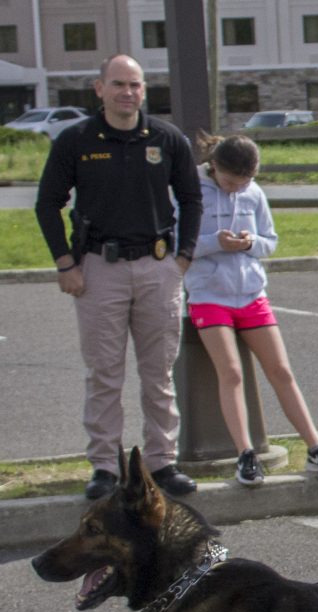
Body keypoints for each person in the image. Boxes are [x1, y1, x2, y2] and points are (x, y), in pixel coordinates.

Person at [35, 54, 201, 498]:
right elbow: (47, 203)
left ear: (144, 90)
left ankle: (162, 462)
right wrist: (64, 263)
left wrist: (182, 257)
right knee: (104, 374)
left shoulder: (167, 139)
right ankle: (105, 467)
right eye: (119, 84)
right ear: (100, 89)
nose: (128, 92)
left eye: (136, 85)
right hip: (98, 270)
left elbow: (191, 198)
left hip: (157, 267)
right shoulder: (76, 140)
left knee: (158, 374)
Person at [185, 134, 318, 487]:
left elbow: (269, 241)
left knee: (282, 371)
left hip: (251, 294)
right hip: (209, 294)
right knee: (232, 373)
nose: (236, 188)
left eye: (244, 182)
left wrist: (250, 243)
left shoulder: (254, 193)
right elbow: (181, 244)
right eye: (229, 182)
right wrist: (215, 243)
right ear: (214, 167)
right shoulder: (190, 190)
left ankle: (316, 447)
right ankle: (245, 454)